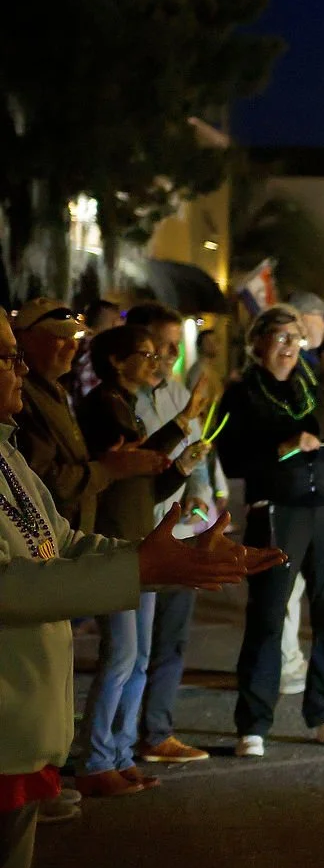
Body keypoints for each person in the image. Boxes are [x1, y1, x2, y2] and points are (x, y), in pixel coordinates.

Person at [0, 307, 284, 868]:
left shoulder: (5, 456)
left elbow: (59, 544)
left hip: (21, 736)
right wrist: (142, 566)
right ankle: (105, 752)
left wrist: (161, 566)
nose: (21, 369)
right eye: (6, 357)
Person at [214, 305, 324, 756]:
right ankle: (253, 724)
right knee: (267, 616)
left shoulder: (312, 387)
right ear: (257, 344)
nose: (288, 347)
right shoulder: (242, 394)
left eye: (295, 339)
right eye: (279, 338)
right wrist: (281, 446)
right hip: (277, 511)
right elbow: (232, 458)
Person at [74, 325, 211, 794]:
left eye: (158, 356)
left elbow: (147, 484)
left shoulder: (126, 407)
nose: (156, 364)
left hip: (139, 539)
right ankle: (95, 760)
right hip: (114, 543)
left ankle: (121, 751)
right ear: (115, 360)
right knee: (121, 655)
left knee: (139, 657)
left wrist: (182, 468)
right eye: (146, 355)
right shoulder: (102, 406)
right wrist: (182, 422)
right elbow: (128, 465)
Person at [125, 303, 225, 766]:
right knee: (130, 650)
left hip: (182, 530)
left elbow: (197, 455)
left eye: (172, 348)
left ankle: (158, 732)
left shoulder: (180, 392)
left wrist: (203, 497)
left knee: (172, 638)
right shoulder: (125, 401)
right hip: (140, 535)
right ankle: (115, 744)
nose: (166, 357)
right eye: (158, 348)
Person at [10, 300, 168, 535]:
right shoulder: (20, 398)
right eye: (61, 337)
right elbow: (40, 481)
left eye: (75, 338)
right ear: (25, 338)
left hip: (71, 534)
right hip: (47, 540)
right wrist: (108, 468)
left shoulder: (56, 393)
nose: (72, 347)